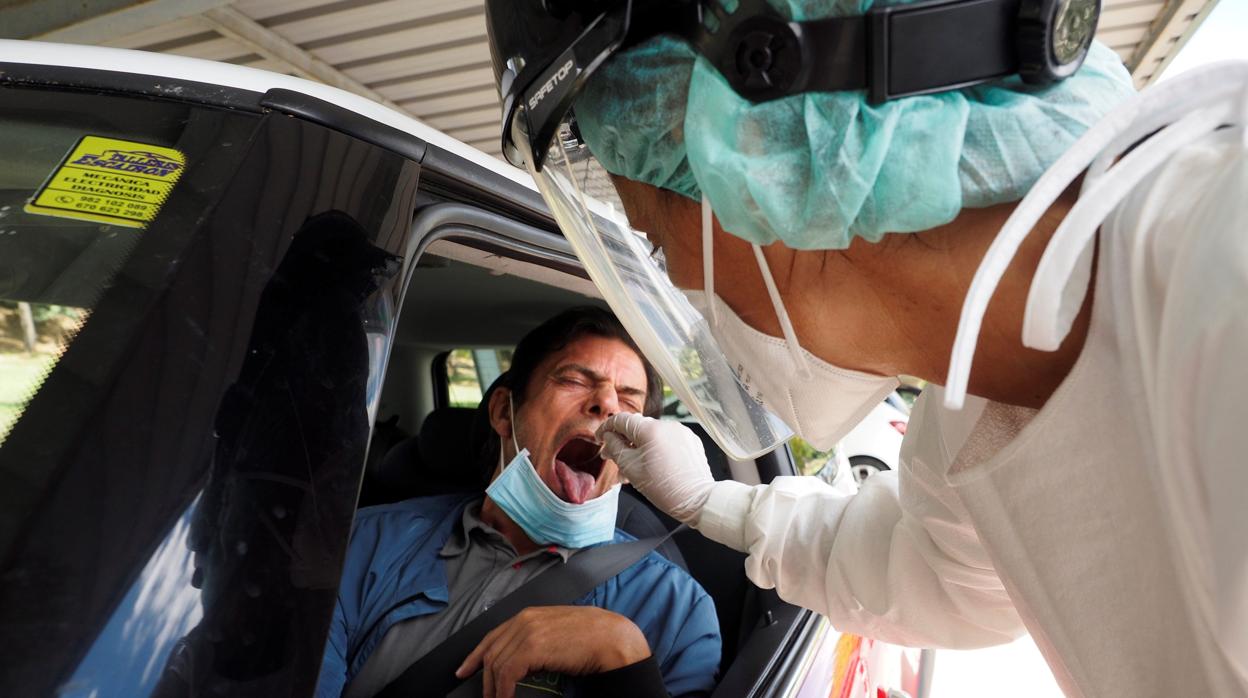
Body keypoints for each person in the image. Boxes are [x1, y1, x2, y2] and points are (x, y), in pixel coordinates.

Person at [484, 2, 1248, 696]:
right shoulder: (973, 401)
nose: (679, 280)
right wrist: (711, 502)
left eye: (656, 238)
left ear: (772, 161)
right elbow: (925, 571)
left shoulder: (1223, 272)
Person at [316, 307, 721, 698]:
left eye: (629, 401)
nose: (607, 404)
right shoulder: (363, 544)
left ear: (633, 459)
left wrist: (624, 653)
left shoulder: (676, 608)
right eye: (574, 381)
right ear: (503, 414)